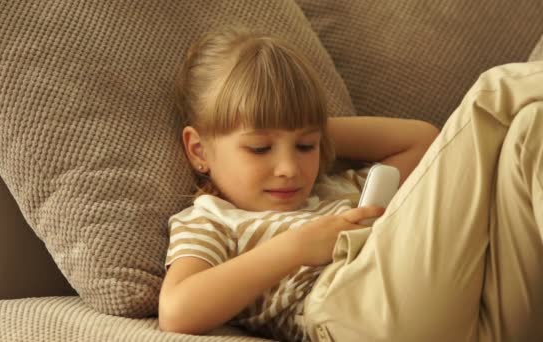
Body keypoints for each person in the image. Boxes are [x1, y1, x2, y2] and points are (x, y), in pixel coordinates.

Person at [158, 26, 543, 342]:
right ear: (199, 150)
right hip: (352, 315)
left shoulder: (339, 187)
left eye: (305, 145)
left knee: (532, 126)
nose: (290, 167)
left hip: (473, 319)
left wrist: (298, 124)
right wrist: (296, 247)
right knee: (495, 94)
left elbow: (421, 140)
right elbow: (177, 311)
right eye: (260, 148)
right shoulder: (213, 217)